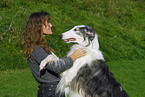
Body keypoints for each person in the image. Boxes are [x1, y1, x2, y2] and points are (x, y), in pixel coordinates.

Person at [22, 11, 86, 97]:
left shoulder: (40, 46)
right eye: (47, 23)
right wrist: (73, 56)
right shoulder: (36, 48)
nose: (51, 25)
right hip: (50, 92)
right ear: (39, 26)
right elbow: (56, 67)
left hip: (54, 90)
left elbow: (57, 63)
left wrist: (74, 55)